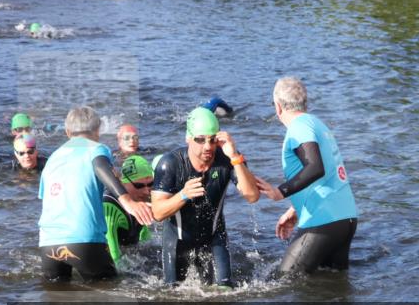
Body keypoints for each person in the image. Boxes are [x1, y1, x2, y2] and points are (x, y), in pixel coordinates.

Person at [38, 106, 153, 282]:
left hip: (48, 242)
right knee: (109, 292)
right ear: (97, 130)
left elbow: (46, 198)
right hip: (84, 240)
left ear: (68, 132)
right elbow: (100, 167)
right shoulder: (96, 149)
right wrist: (128, 201)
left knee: (58, 302)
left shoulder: (53, 158)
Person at [255, 77, 358, 273]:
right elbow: (329, 173)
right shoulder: (317, 124)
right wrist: (295, 209)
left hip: (324, 221)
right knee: (331, 287)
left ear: (278, 107)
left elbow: (315, 167)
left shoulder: (299, 127)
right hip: (347, 219)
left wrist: (280, 192)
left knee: (283, 282)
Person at [151, 108, 259, 287]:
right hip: (177, 241)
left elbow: (252, 196)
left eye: (213, 139)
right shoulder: (170, 164)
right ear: (188, 138)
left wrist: (234, 157)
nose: (208, 146)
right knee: (173, 296)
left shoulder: (229, 159)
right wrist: (183, 195)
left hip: (214, 236)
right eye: (200, 140)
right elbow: (158, 213)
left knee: (224, 291)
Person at [104, 155, 153, 266]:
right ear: (122, 183)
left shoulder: (140, 200)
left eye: (150, 184)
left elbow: (145, 239)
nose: (146, 191)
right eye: (139, 185)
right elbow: (114, 254)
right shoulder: (110, 205)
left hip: (129, 253)